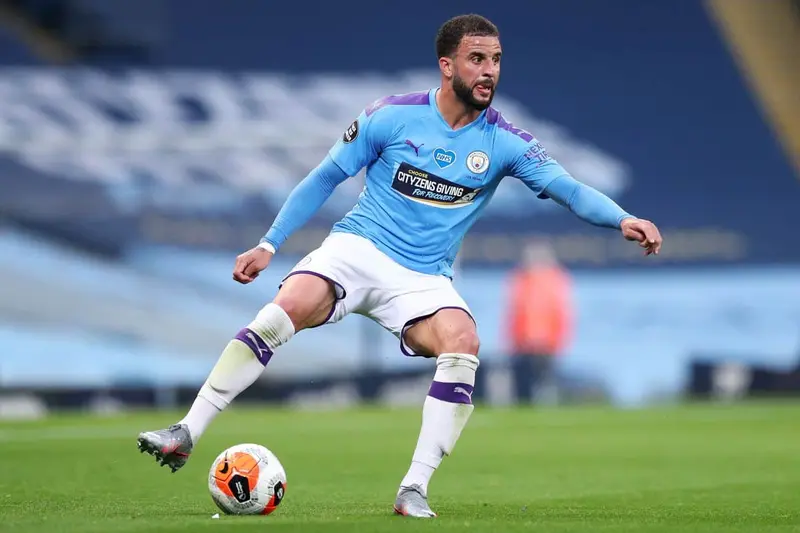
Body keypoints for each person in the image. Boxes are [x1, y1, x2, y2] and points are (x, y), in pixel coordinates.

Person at [137, 13, 662, 518]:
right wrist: (269, 244)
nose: (489, 71)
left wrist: (622, 218)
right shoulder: (389, 116)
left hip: (422, 279)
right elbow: (324, 177)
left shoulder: (506, 142)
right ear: (447, 66)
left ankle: (414, 487)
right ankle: (187, 432)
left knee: (464, 342)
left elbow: (569, 189)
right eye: (477, 59)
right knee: (285, 307)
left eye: (497, 60)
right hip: (357, 251)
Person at [505, 241, 572, 404]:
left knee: (544, 381)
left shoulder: (554, 280)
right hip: (523, 343)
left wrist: (555, 340)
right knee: (524, 383)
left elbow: (560, 314)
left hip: (546, 343)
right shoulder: (521, 279)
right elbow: (514, 313)